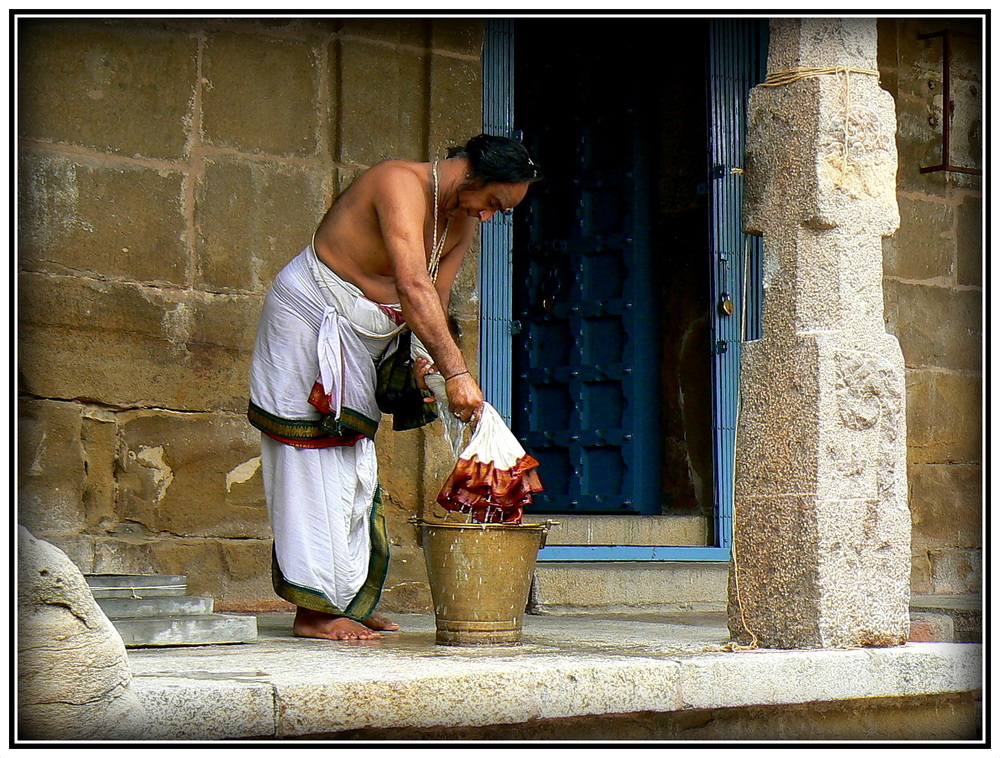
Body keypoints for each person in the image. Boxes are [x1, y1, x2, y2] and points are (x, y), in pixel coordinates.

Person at [248, 134, 540, 640]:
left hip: (366, 338)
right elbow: (412, 284)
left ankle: (347, 603)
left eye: (501, 211)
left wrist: (427, 360)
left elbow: (436, 297)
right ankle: (313, 612)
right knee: (308, 457)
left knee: (354, 467)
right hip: (310, 318)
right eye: (492, 202)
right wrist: (457, 373)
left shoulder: (461, 220)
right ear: (471, 172)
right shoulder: (397, 183)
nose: (489, 216)